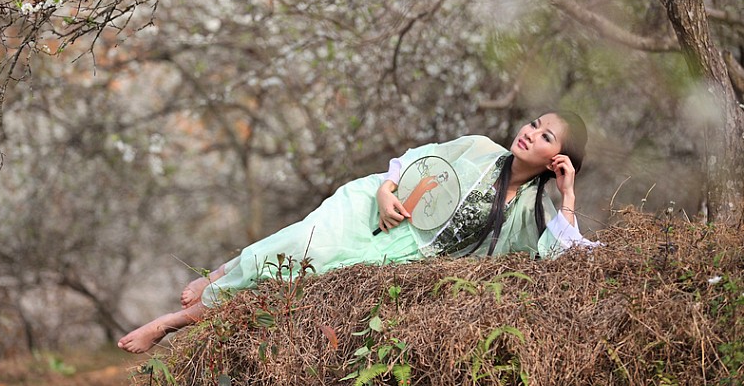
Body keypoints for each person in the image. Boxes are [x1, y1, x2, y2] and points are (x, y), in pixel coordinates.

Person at [118, 111, 597, 353]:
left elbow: (566, 256)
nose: (530, 133)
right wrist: (387, 192)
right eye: (534, 123)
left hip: (403, 254)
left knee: (299, 274)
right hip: (374, 206)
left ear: (557, 160)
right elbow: (416, 160)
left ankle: (185, 313)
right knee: (300, 244)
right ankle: (181, 308)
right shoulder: (477, 148)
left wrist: (568, 194)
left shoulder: (531, 210)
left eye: (546, 137)